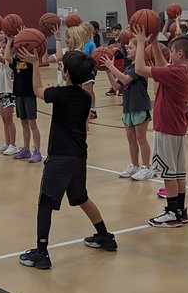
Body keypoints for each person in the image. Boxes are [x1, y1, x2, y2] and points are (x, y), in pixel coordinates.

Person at [17, 48, 117, 270]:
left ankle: (41, 253)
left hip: (60, 157)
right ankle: (105, 236)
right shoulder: (86, 97)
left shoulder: (60, 94)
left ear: (67, 74)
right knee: (81, 197)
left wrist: (35, 64)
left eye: (63, 67)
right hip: (79, 156)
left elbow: (37, 90)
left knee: (46, 203)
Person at [132, 28, 188, 227]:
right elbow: (163, 66)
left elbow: (139, 69)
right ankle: (180, 211)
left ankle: (171, 213)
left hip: (167, 128)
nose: (169, 56)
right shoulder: (186, 71)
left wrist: (141, 43)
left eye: (172, 52)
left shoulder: (175, 72)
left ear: (180, 54)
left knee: (168, 174)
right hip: (178, 128)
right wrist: (154, 43)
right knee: (178, 173)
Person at [103, 52, 153, 179]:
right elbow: (116, 86)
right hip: (128, 107)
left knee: (141, 138)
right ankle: (134, 165)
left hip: (140, 106)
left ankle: (146, 167)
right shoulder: (128, 68)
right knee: (131, 139)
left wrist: (111, 66)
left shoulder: (139, 68)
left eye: (131, 47)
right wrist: (108, 71)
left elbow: (125, 80)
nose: (128, 50)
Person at [5, 34, 42, 162]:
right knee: (23, 123)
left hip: (30, 95)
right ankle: (26, 149)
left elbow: (36, 57)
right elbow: (6, 57)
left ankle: (37, 151)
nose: (19, 51)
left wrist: (24, 36)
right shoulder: (16, 62)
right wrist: (10, 40)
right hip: (19, 95)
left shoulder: (32, 62)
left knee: (32, 124)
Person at [0, 30, 18, 154]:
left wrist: (6, 39)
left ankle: (13, 145)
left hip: (8, 92)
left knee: (9, 121)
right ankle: (7, 143)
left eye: (5, 48)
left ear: (12, 51)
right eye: (2, 48)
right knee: (4, 121)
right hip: (0, 91)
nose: (2, 50)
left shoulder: (9, 61)